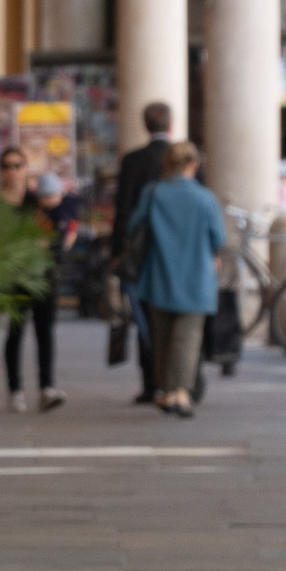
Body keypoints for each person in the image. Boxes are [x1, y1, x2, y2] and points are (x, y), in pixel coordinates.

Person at [131, 142, 226, 417]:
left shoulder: (153, 193)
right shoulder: (205, 198)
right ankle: (181, 392)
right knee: (187, 337)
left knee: (162, 336)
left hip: (159, 273)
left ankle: (165, 390)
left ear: (166, 164)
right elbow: (218, 237)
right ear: (194, 165)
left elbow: (133, 226)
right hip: (197, 277)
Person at [112, 101, 174, 402]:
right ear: (170, 125)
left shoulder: (133, 160)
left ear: (145, 125)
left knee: (145, 316)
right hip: (176, 250)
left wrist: (117, 251)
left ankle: (151, 383)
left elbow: (122, 209)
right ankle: (180, 380)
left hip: (142, 251)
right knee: (177, 313)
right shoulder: (182, 159)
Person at [5, 171, 80, 412]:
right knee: (17, 332)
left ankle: (46, 387)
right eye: (46, 197)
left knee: (44, 332)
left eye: (54, 196)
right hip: (23, 279)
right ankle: (16, 390)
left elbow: (64, 240)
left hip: (46, 279)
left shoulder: (63, 212)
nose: (50, 201)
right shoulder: (26, 212)